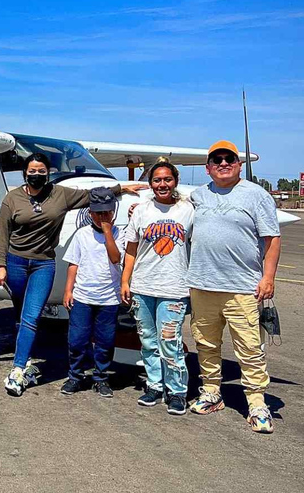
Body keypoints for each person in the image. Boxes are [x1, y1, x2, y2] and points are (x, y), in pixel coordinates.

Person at [0, 153, 146, 396]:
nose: (36, 175)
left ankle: (19, 368)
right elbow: (3, 233)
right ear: (25, 173)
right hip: (16, 261)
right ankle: (27, 355)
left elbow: (91, 195)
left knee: (32, 316)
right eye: (32, 171)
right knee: (20, 312)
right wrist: (0, 264)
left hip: (44, 263)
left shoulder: (60, 194)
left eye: (41, 171)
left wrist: (121, 187)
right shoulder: (12, 199)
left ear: (48, 173)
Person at [186, 140, 281, 434]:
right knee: (205, 342)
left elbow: (272, 238)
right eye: (217, 160)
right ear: (208, 167)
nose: (223, 163)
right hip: (202, 284)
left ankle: (256, 402)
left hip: (242, 287)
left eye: (230, 159)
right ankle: (212, 392)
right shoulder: (198, 195)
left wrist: (268, 278)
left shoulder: (256, 195)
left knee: (249, 347)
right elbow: (169, 202)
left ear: (239, 165)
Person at [121, 158, 194, 415]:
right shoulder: (141, 210)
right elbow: (131, 248)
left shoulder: (188, 210)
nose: (162, 184)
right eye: (156, 180)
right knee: (148, 341)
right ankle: (154, 384)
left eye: (167, 179)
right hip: (143, 286)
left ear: (175, 182)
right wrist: (125, 281)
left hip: (174, 287)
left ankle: (177, 392)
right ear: (150, 183)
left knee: (170, 342)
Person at [60, 187, 125, 398]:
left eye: (107, 212)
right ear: (90, 213)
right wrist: (68, 290)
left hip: (109, 298)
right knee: (77, 339)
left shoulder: (119, 234)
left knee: (105, 340)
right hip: (83, 296)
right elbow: (73, 264)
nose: (102, 217)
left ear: (113, 212)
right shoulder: (81, 234)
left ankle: (101, 377)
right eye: (98, 213)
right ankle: (75, 376)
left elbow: (116, 258)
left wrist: (108, 232)